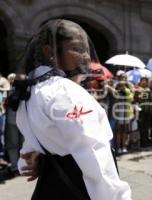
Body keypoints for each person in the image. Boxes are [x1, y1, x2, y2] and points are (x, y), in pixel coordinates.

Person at [9, 19, 131, 200]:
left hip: (49, 188)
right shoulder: (65, 92)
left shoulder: (30, 90)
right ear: (50, 53)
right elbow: (94, 159)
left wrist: (41, 160)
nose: (87, 57)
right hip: (80, 188)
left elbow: (28, 153)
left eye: (87, 50)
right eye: (78, 49)